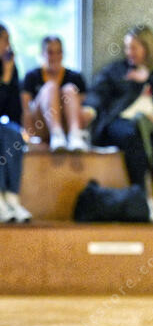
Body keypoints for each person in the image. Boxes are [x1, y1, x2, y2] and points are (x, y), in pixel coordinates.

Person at [84, 25, 153, 222]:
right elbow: (98, 92)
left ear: (147, 48)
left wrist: (149, 79)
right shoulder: (117, 70)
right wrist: (90, 109)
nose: (129, 52)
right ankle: (142, 196)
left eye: (134, 47)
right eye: (127, 47)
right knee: (134, 135)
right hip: (121, 123)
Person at [20, 36, 92, 152]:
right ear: (43, 53)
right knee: (51, 87)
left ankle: (75, 135)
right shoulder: (32, 77)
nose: (54, 57)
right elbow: (26, 111)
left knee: (69, 89)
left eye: (58, 52)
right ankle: (56, 134)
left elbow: (85, 110)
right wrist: (29, 140)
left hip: (67, 125)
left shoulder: (75, 78)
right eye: (50, 52)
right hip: (41, 125)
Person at [0, 24, 30, 222]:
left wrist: (8, 73)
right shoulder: (7, 71)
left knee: (14, 134)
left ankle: (12, 197)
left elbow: (12, 110)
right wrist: (5, 79)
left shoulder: (10, 67)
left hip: (3, 126)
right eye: (4, 40)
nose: (8, 45)